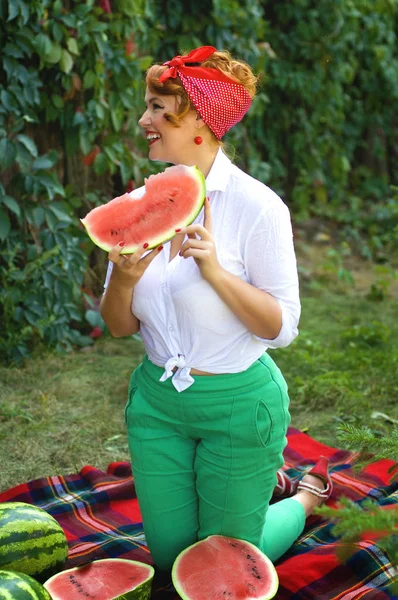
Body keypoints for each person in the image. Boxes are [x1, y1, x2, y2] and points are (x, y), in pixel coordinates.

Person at [100, 45, 333, 573]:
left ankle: (303, 498)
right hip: (157, 404)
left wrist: (216, 273)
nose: (144, 120)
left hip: (237, 405)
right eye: (148, 106)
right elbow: (117, 327)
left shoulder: (259, 207)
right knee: (171, 565)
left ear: (200, 120)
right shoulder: (141, 204)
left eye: (160, 108)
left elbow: (282, 327)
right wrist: (125, 280)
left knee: (222, 567)